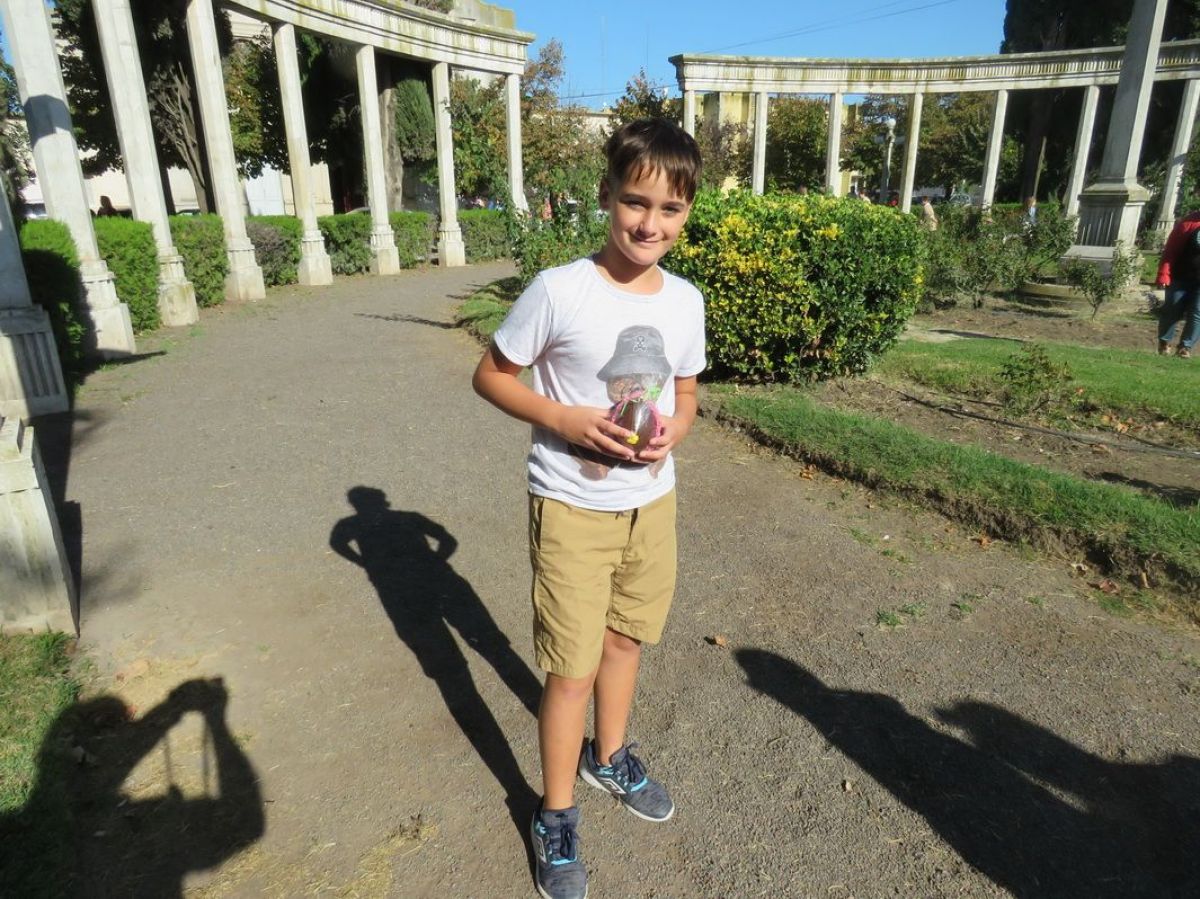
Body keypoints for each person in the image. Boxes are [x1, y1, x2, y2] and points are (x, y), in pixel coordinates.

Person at [472, 118, 705, 899]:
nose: (650, 224)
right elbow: (492, 375)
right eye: (635, 202)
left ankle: (610, 757)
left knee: (627, 641)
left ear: (687, 213)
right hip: (572, 506)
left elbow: (687, 390)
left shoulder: (684, 300)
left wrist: (676, 429)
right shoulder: (560, 290)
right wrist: (567, 420)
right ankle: (557, 811)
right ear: (606, 195)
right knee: (569, 669)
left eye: (669, 210)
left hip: (651, 505)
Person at [1154, 209, 1200, 358]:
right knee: (1172, 309)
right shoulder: (1188, 223)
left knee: (1197, 313)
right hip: (1181, 277)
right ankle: (1164, 343)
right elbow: (1171, 251)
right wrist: (1163, 274)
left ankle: (1185, 347)